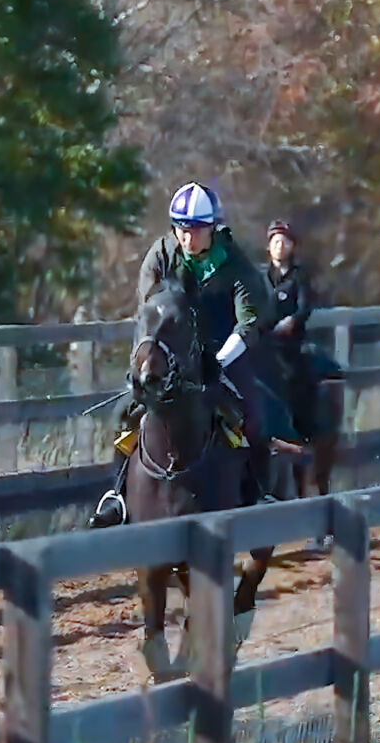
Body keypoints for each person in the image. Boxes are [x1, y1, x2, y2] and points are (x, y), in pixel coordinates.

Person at [89, 182, 278, 529]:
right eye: (182, 230)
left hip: (223, 349)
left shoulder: (235, 265)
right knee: (125, 413)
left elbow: (249, 321)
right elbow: (149, 314)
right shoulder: (160, 255)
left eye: (197, 231)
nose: (188, 239)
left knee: (252, 413)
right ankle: (116, 495)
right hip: (172, 353)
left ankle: (259, 491)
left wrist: (219, 360)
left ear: (214, 228)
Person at [262, 219, 319, 438]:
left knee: (300, 377)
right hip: (263, 341)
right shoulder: (260, 276)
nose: (280, 246)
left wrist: (292, 321)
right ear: (269, 246)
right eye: (275, 242)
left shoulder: (300, 276)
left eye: (285, 242)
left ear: (292, 246)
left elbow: (305, 307)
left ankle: (303, 430)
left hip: (290, 344)